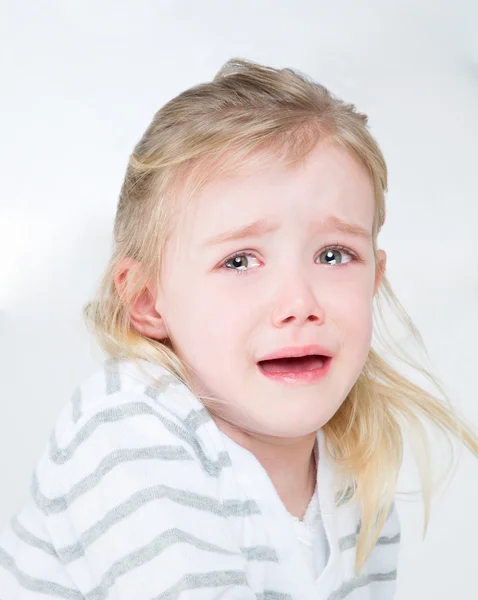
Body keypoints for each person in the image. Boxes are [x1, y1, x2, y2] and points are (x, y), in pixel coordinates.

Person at [0, 57, 476, 600]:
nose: (300, 303)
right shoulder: (125, 428)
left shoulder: (356, 474)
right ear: (148, 300)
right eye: (240, 261)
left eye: (334, 254)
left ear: (375, 279)